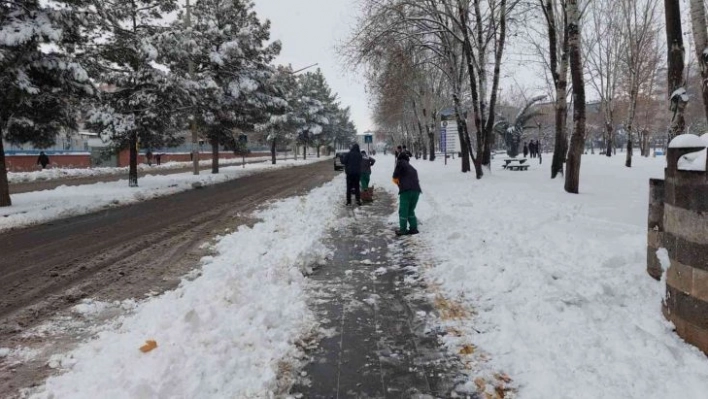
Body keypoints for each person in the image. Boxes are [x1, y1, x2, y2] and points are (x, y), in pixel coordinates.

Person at [392, 152, 422, 236]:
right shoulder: (413, 168)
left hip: (406, 192)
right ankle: (413, 228)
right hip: (416, 191)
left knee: (403, 211)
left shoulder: (400, 164)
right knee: (410, 210)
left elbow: (394, 178)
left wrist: (399, 184)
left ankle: (403, 230)